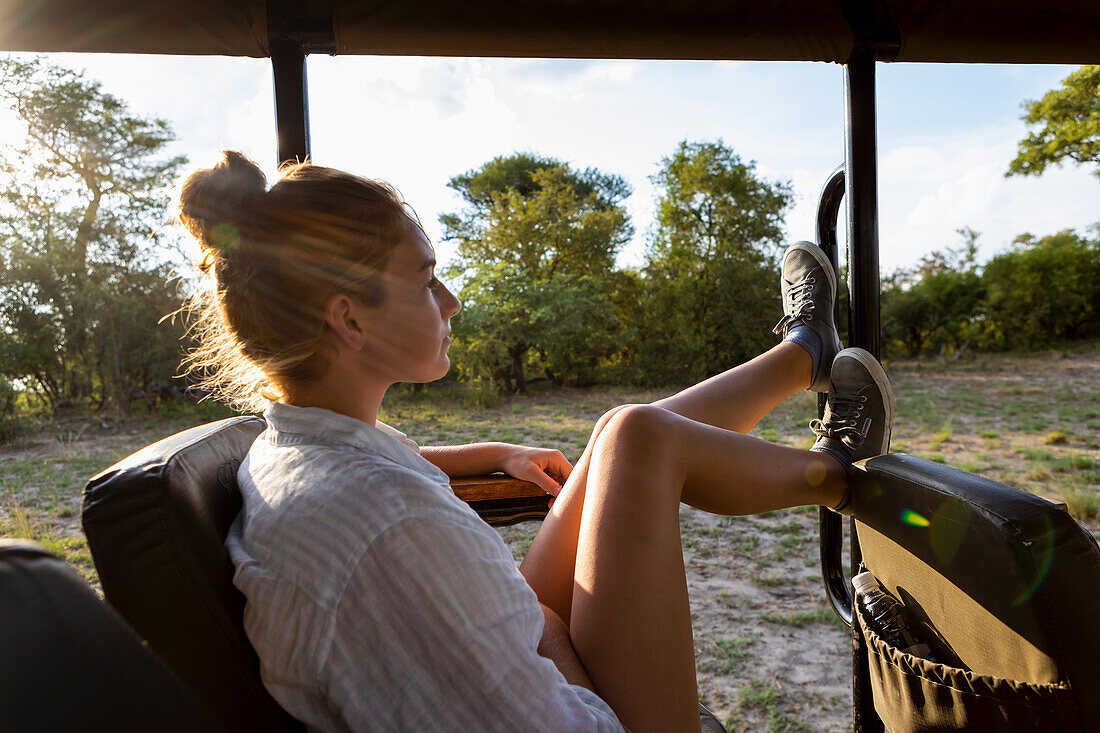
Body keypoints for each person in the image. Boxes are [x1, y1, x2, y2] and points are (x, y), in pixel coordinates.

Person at [176, 151, 894, 733]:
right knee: (639, 438)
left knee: (622, 435)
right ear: (348, 320)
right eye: (427, 281)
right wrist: (546, 627)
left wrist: (488, 454)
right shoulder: (389, 526)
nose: (451, 300)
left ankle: (804, 353)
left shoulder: (295, 447)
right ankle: (837, 471)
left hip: (476, 640)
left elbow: (382, 463)